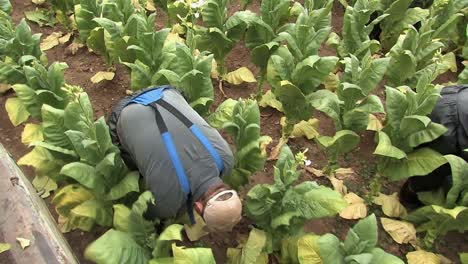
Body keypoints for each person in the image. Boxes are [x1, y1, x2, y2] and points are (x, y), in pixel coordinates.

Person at [108, 86, 242, 232]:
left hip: (166, 92)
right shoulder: (167, 203)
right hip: (122, 111)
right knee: (134, 166)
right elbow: (146, 214)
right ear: (198, 207)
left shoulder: (226, 158)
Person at [400, 84, 468, 208]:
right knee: (432, 167)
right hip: (450, 127)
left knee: (423, 155)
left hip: (449, 98)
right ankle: (409, 196)